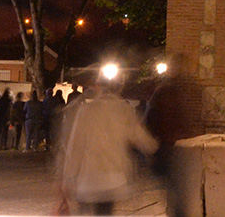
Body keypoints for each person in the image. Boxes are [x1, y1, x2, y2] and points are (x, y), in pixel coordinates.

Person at [56, 71, 157, 216]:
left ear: (98, 86)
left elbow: (75, 147)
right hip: (112, 180)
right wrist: (154, 147)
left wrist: (68, 178)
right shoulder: (123, 110)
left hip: (88, 180)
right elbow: (141, 138)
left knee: (84, 212)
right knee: (104, 212)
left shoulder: (86, 111)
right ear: (120, 87)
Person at [145, 57, 201, 217]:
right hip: (179, 148)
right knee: (181, 192)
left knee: (177, 193)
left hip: (171, 148)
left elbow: (150, 120)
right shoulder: (184, 91)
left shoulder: (165, 92)